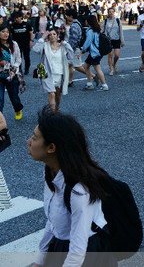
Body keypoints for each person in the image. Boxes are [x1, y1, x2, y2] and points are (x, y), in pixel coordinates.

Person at [29, 108, 116, 267]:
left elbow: (77, 251)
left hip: (89, 255)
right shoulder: (51, 173)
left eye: (34, 138)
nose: (29, 142)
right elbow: (53, 222)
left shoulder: (79, 191)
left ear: (51, 148)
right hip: (62, 247)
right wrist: (40, 261)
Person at [32, 29, 74, 112]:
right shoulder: (45, 46)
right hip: (47, 73)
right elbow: (35, 49)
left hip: (59, 73)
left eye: (54, 34)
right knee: (51, 93)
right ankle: (53, 114)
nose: (52, 36)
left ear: (57, 36)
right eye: (50, 35)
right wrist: (42, 38)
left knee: (57, 94)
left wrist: (65, 44)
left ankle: (57, 108)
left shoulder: (62, 47)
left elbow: (71, 55)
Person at [0, 23, 24, 120]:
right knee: (0, 99)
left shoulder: (13, 44)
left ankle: (18, 109)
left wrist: (14, 70)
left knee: (14, 97)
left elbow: (18, 60)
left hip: (11, 75)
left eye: (7, 32)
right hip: (0, 76)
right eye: (2, 32)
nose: (6, 34)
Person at [80, 15, 108, 92]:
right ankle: (89, 84)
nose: (85, 22)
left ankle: (104, 85)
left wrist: (82, 50)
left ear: (88, 22)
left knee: (97, 69)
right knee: (86, 66)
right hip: (97, 52)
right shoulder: (97, 29)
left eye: (86, 20)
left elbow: (88, 42)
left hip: (94, 53)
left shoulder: (90, 31)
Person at [102, 7, 125, 76]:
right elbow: (102, 31)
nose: (111, 13)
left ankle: (114, 64)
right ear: (108, 13)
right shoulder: (105, 21)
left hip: (116, 39)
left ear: (114, 12)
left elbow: (121, 31)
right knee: (110, 55)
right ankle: (111, 69)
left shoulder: (118, 20)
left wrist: (122, 40)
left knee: (117, 55)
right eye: (110, 12)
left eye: (112, 11)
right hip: (108, 40)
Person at [10, 11, 32, 76]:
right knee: (18, 57)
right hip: (16, 44)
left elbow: (31, 33)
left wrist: (31, 41)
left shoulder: (27, 24)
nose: (16, 19)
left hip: (25, 43)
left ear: (20, 17)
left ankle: (27, 69)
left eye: (17, 17)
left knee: (26, 57)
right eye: (15, 18)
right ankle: (19, 69)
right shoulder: (13, 25)